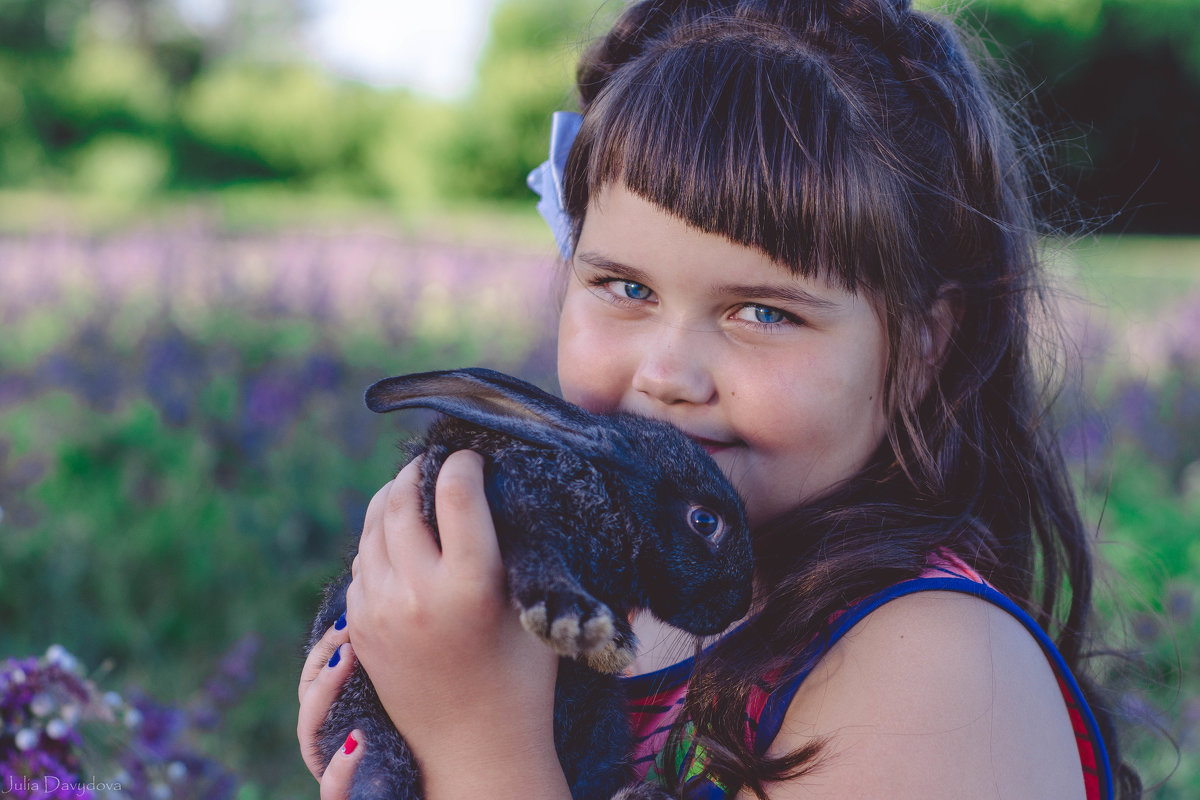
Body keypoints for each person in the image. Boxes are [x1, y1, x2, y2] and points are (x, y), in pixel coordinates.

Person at [298, 0, 1140, 797]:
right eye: (625, 288)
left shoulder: (938, 667)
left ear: (923, 345)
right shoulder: (615, 601)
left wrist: (476, 743)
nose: (669, 373)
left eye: (763, 311)